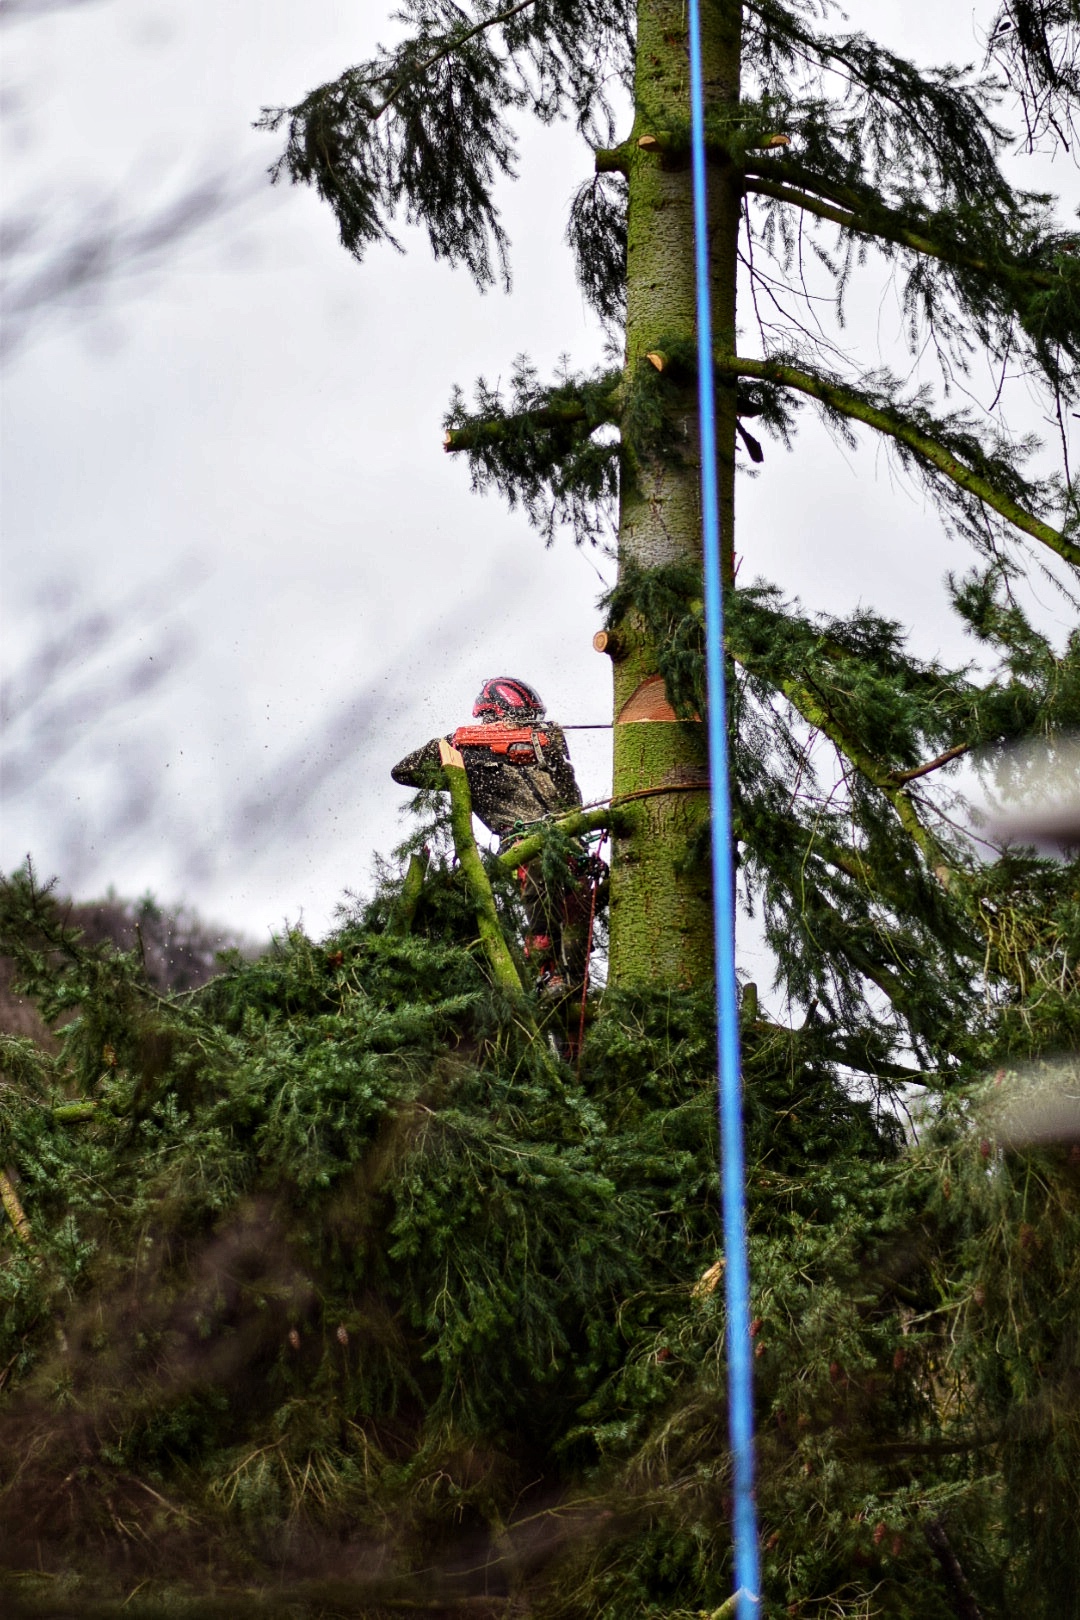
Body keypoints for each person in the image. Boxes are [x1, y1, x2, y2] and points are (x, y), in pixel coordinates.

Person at [391, 677, 599, 994]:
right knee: (540, 882)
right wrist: (457, 746)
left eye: (531, 721)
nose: (528, 727)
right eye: (520, 721)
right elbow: (404, 770)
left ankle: (575, 986)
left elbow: (573, 805)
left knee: (579, 905)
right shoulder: (472, 757)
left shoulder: (541, 755)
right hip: (522, 842)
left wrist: (554, 759)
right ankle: (547, 973)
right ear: (494, 717)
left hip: (565, 841)